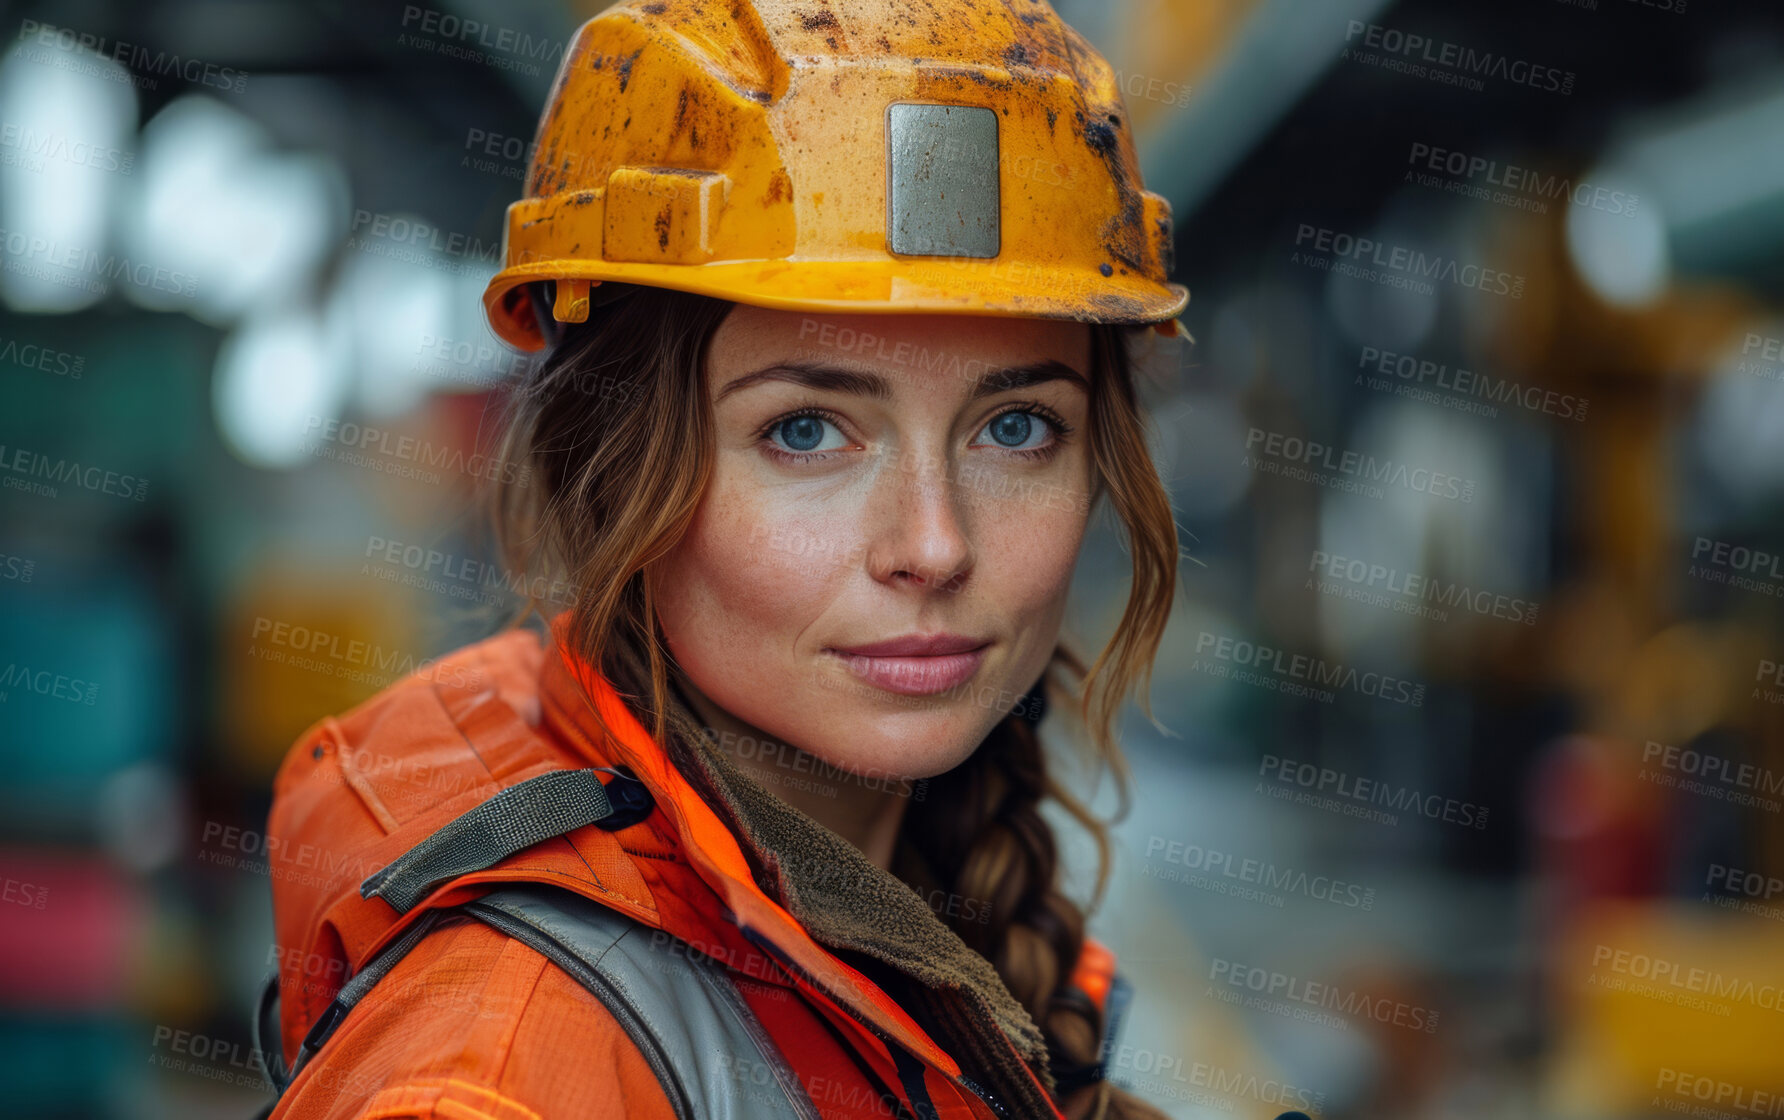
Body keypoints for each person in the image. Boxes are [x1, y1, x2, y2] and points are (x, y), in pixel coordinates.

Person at [258, 2, 1190, 1118]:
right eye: (804, 430)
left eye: (1015, 427)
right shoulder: (490, 1072)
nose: (934, 546)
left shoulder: (912, 914)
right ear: (609, 472)